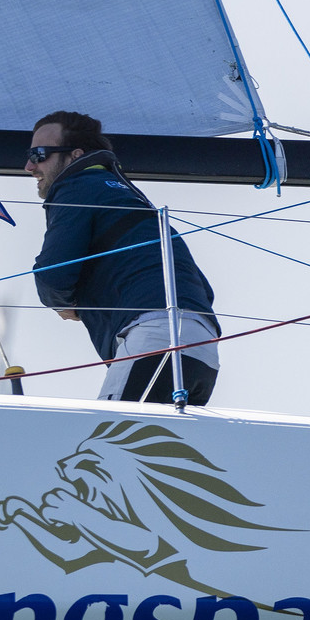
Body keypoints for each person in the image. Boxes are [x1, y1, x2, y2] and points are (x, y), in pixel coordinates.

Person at [25, 111, 218, 404]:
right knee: (160, 449)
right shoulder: (132, 199)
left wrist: (64, 305)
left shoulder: (75, 186)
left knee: (108, 444)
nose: (29, 166)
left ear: (75, 156)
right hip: (203, 344)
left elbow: (53, 273)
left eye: (39, 154)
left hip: (151, 336)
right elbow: (203, 289)